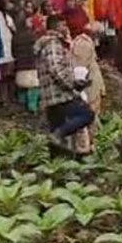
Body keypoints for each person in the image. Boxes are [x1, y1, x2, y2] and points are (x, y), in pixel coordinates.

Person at [35, 16, 95, 148]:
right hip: (59, 94)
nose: (66, 28)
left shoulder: (49, 43)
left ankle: (58, 158)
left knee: (57, 133)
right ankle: (58, 135)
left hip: (50, 95)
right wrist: (71, 84)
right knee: (87, 114)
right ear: (56, 27)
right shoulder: (53, 43)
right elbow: (56, 69)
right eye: (63, 25)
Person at [70, 18, 105, 151]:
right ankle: (87, 147)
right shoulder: (83, 45)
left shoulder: (87, 44)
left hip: (93, 87)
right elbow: (80, 70)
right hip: (89, 90)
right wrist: (82, 93)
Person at [12, 14, 40, 113]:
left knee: (22, 86)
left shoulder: (15, 37)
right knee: (33, 86)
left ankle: (22, 106)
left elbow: (13, 51)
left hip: (19, 64)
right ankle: (32, 107)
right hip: (31, 64)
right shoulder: (32, 36)